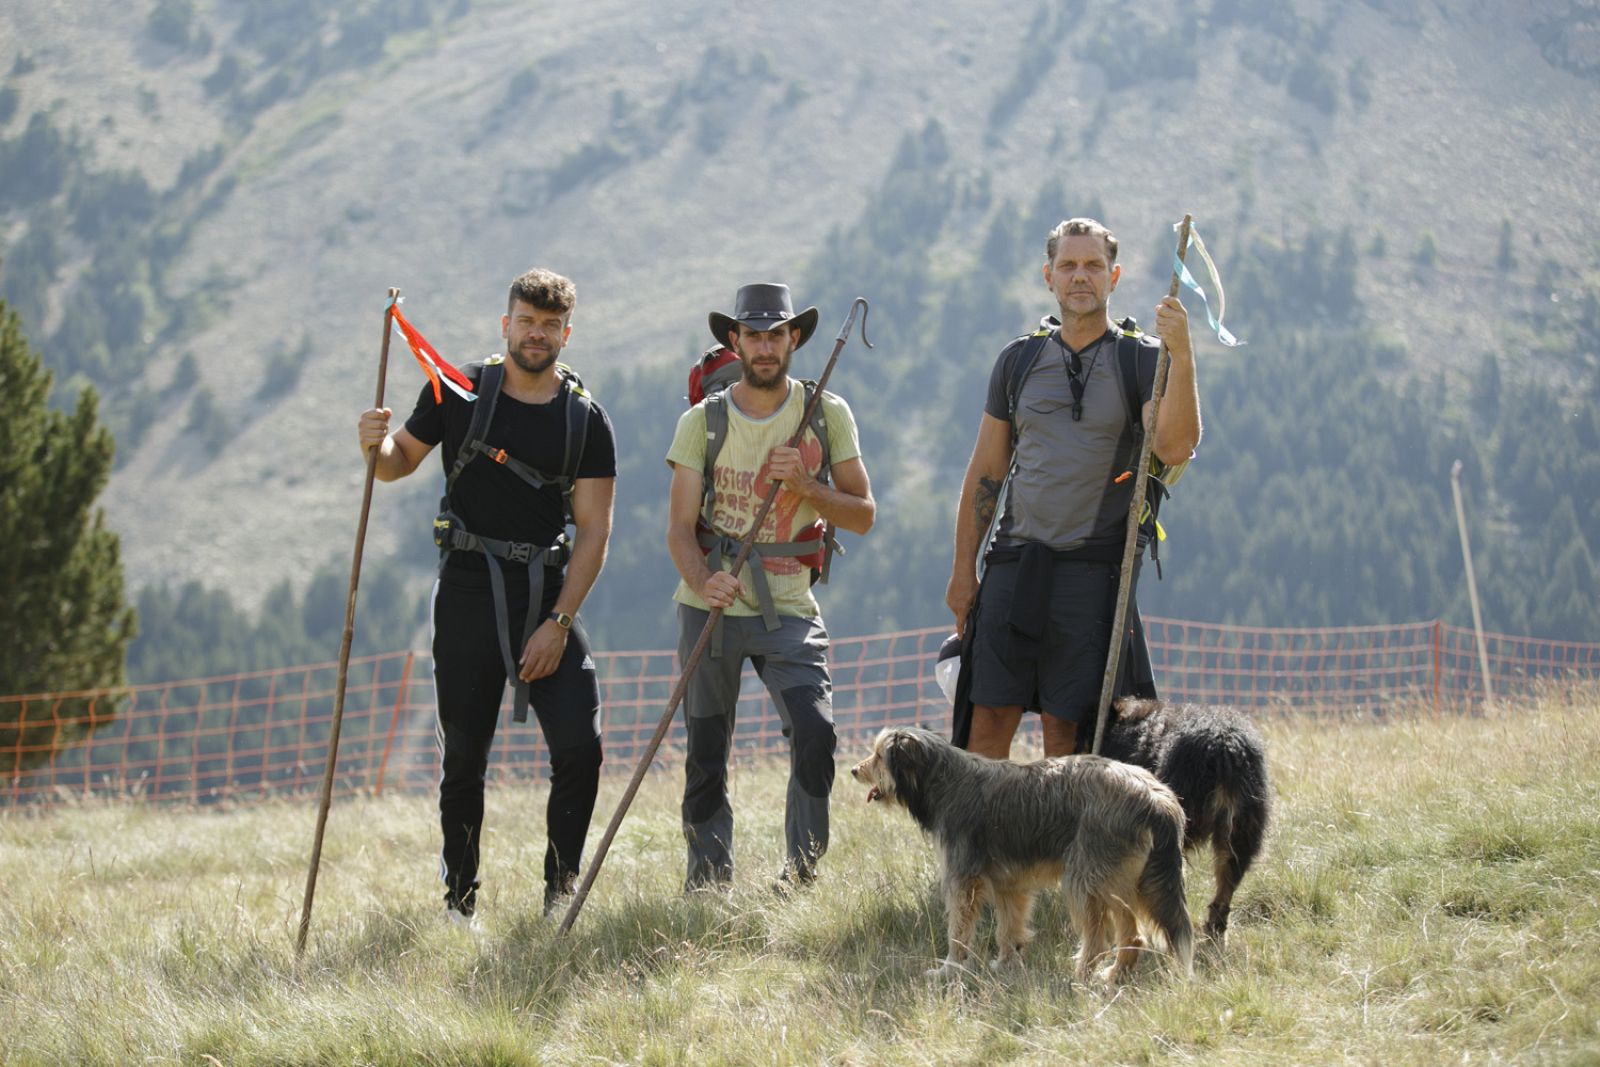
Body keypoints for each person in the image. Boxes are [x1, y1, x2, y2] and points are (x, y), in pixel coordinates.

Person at [356, 268, 616, 924]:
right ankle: (460, 905)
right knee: (465, 755)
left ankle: (560, 896)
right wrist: (375, 442)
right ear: (506, 324)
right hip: (467, 588)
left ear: (567, 332)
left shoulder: (585, 419)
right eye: (526, 321)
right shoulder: (458, 390)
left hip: (547, 593)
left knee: (581, 746)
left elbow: (594, 531)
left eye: (550, 324)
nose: (537, 333)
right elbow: (396, 462)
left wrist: (559, 623)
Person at [945, 218, 1199, 761]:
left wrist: (1183, 357)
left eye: (1092, 266)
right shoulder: (1018, 361)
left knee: (1069, 734)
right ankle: (984, 849)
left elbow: (1176, 448)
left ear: (1115, 276)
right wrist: (963, 571)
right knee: (985, 725)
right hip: (1013, 563)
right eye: (1068, 265)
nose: (1079, 276)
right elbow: (986, 471)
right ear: (1048, 277)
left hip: (1093, 573)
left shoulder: (1141, 360)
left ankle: (1055, 849)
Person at [665, 283, 875, 891]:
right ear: (734, 341)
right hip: (711, 605)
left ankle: (800, 874)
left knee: (816, 732)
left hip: (789, 603)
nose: (764, 346)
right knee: (707, 748)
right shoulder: (701, 422)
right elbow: (679, 530)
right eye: (752, 335)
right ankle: (708, 882)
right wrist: (705, 581)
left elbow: (863, 515)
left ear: (794, 339)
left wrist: (808, 487)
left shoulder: (827, 414)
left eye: (775, 334)